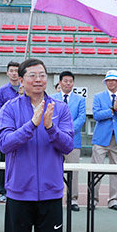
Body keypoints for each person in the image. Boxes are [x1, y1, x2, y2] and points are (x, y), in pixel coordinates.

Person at [0, 58, 73, 232]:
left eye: (42, 74)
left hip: (51, 191)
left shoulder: (60, 108)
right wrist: (32, 124)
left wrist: (50, 127)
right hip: (19, 191)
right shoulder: (9, 108)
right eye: (32, 75)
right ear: (21, 79)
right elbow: (5, 144)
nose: (38, 79)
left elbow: (68, 145)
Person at [91, 70, 117, 211]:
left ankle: (113, 200)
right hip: (101, 139)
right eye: (109, 80)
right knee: (96, 170)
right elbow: (96, 115)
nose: (111, 82)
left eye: (114, 80)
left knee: (116, 171)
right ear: (105, 82)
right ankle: (93, 199)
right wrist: (111, 110)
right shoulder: (98, 97)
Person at [51, 71, 86, 211]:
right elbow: (49, 117)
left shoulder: (80, 100)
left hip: (73, 141)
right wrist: (57, 133)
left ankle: (72, 199)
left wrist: (67, 131)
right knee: (53, 170)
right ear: (60, 83)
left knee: (73, 172)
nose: (68, 84)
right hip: (54, 141)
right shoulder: (52, 98)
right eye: (65, 81)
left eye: (70, 81)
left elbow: (81, 118)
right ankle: (53, 197)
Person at [0, 61, 21, 203]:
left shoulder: (26, 88)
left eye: (16, 70)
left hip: (23, 131)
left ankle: (18, 188)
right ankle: (3, 190)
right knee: (4, 162)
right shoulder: (2, 91)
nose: (14, 73)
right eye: (11, 70)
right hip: (8, 131)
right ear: (7, 73)